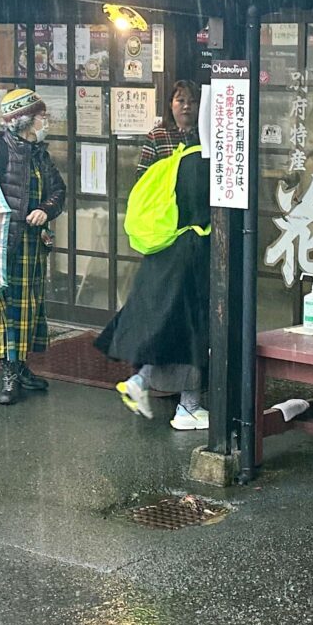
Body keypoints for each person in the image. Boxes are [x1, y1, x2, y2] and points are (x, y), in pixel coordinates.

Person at [96, 142, 212, 430]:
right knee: (190, 334)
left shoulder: (175, 162)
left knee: (170, 330)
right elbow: (203, 207)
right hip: (189, 257)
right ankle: (188, 407)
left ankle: (140, 381)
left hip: (167, 252)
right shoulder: (202, 163)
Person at [0, 89, 67, 405]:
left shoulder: (40, 153)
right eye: (42, 115)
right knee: (7, 311)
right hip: (3, 244)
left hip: (33, 245)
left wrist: (46, 208)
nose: (47, 121)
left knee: (29, 309)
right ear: (26, 120)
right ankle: (9, 375)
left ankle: (22, 367)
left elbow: (59, 190)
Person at [139, 81, 198, 171]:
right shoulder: (157, 136)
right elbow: (143, 175)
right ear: (171, 104)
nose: (186, 106)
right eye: (181, 101)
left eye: (192, 101)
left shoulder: (208, 135)